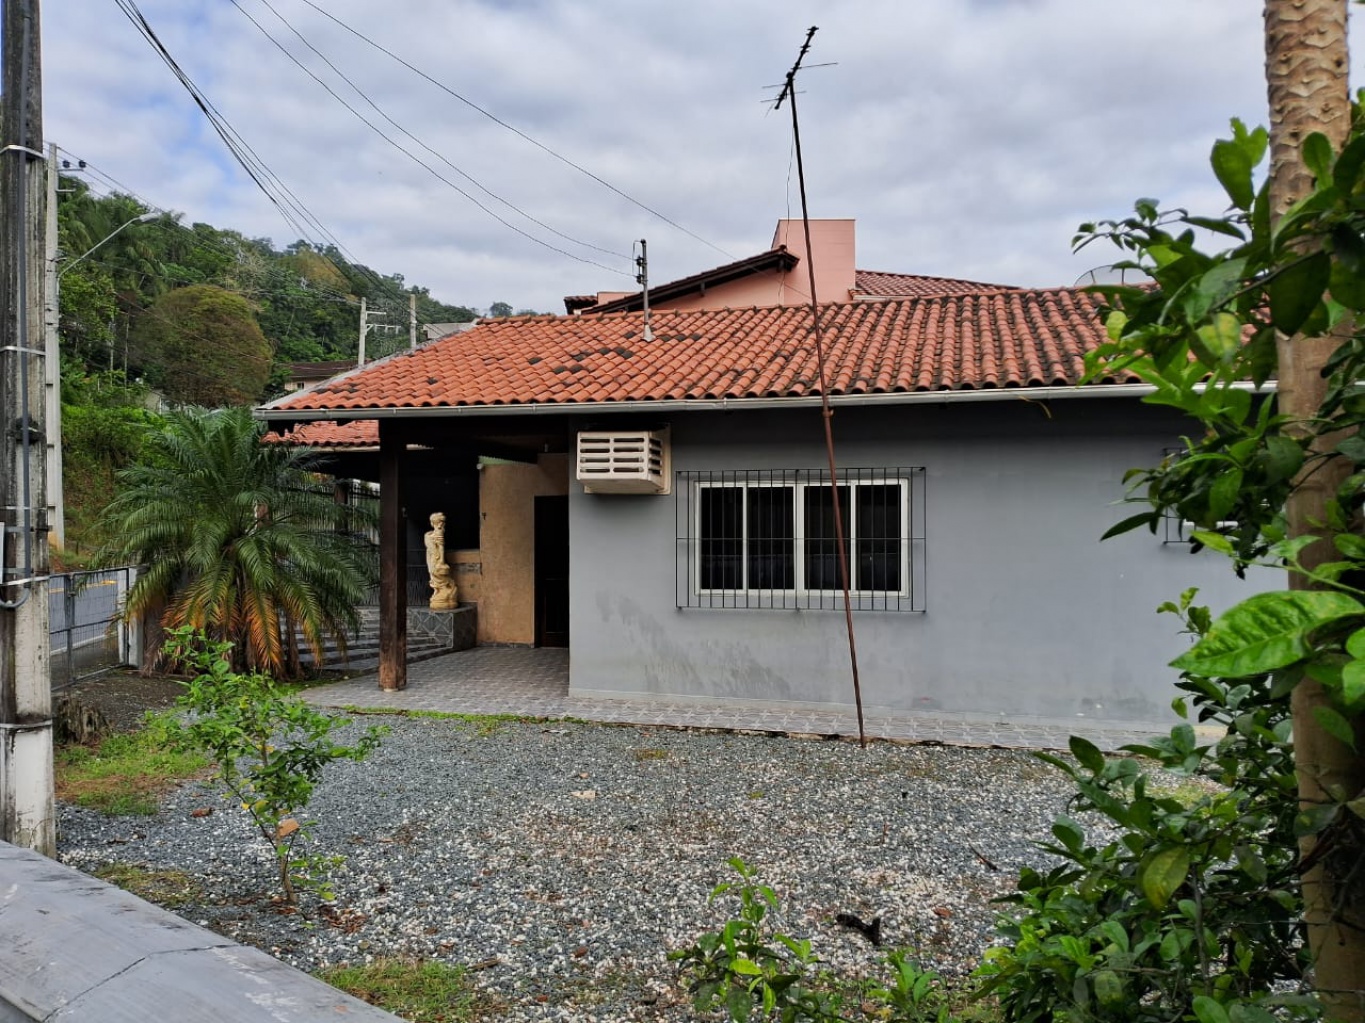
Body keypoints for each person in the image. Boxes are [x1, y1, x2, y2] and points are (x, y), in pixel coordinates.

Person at [425, 512, 457, 609]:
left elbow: (441, 548)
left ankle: (444, 592)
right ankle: (439, 592)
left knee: (437, 573)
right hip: (433, 558)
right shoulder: (430, 534)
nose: (442, 524)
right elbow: (438, 548)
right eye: (441, 522)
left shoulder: (437, 533)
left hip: (436, 559)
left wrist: (441, 562)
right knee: (433, 573)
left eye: (443, 522)